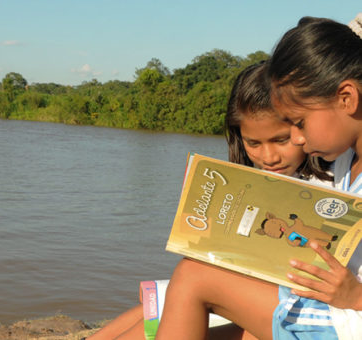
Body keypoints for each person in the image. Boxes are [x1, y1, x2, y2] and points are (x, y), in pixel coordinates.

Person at [89, 61, 332, 340]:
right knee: (152, 307)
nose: (268, 157)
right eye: (254, 144)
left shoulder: (324, 184)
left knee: (185, 287)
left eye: (280, 140)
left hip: (299, 306)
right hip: (266, 295)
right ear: (240, 140)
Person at [264, 15, 362, 340]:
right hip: (318, 311)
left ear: (346, 98)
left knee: (196, 278)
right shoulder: (346, 163)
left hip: (342, 323)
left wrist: (357, 297)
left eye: (300, 122)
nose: (296, 138)